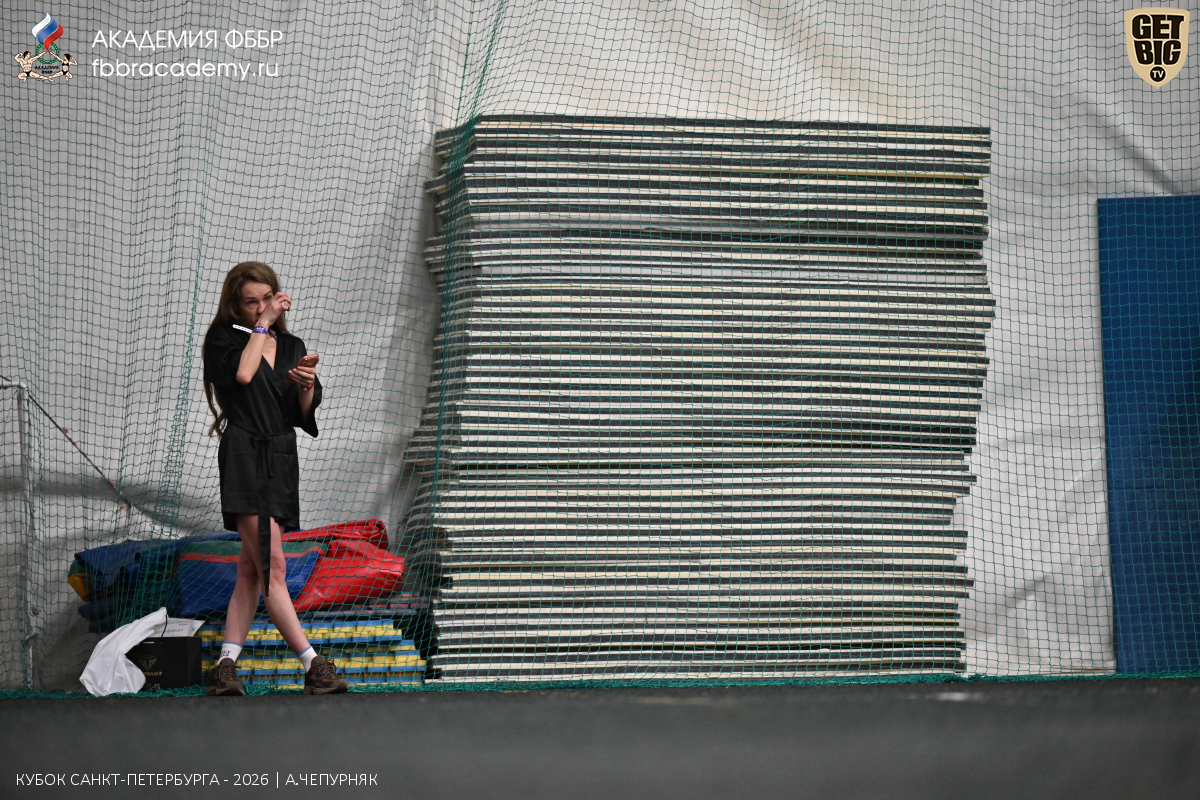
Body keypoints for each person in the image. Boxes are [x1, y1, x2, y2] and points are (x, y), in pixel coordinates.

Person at [201, 261, 348, 696]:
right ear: (236, 305)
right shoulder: (224, 338)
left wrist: (306, 385)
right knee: (274, 566)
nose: (261, 307)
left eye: (267, 299)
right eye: (251, 302)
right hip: (245, 454)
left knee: (251, 569)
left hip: (281, 457)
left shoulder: (292, 345)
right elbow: (244, 375)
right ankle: (313, 664)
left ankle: (225, 667)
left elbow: (300, 415)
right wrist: (262, 325)